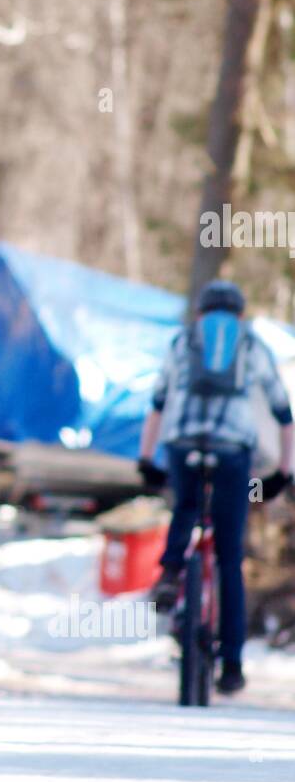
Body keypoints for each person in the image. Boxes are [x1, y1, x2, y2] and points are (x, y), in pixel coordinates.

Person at [138, 278, 293, 695]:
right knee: (228, 557)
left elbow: (156, 403)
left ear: (201, 312)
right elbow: (283, 411)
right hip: (232, 452)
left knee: (185, 506)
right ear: (240, 314)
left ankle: (170, 573)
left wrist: (146, 460)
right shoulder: (251, 344)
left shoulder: (183, 340)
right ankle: (232, 664)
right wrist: (283, 468)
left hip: (182, 443)